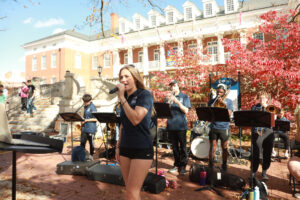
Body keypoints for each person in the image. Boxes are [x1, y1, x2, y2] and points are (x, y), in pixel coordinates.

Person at [115, 65, 154, 200]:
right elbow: (123, 125)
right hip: (126, 147)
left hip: (141, 148)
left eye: (127, 76)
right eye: (121, 77)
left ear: (135, 78)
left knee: (132, 191)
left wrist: (122, 98)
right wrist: (118, 146)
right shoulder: (124, 98)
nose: (123, 80)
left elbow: (136, 119)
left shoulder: (144, 95)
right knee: (130, 191)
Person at [165, 79, 191, 175]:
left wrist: (177, 102)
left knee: (183, 147)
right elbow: (165, 111)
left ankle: (183, 166)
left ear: (178, 86)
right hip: (171, 125)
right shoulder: (168, 97)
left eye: (174, 86)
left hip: (181, 126)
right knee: (175, 148)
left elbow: (186, 111)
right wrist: (168, 102)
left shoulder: (184, 96)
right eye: (171, 86)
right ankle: (176, 165)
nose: (173, 87)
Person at [208, 83, 233, 171]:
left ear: (224, 92)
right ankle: (210, 164)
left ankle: (224, 165)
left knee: (224, 147)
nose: (219, 94)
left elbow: (230, 114)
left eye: (221, 92)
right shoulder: (212, 101)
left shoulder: (229, 101)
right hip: (214, 126)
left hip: (224, 127)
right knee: (212, 146)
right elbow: (208, 113)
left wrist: (224, 104)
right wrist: (214, 104)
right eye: (218, 92)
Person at [251, 91, 274, 180]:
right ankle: (253, 171)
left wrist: (266, 108)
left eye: (263, 98)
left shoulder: (271, 107)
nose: (261, 99)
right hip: (257, 131)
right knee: (256, 152)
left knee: (267, 153)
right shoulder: (254, 107)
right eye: (260, 98)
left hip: (268, 131)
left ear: (267, 99)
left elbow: (273, 120)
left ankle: (264, 171)